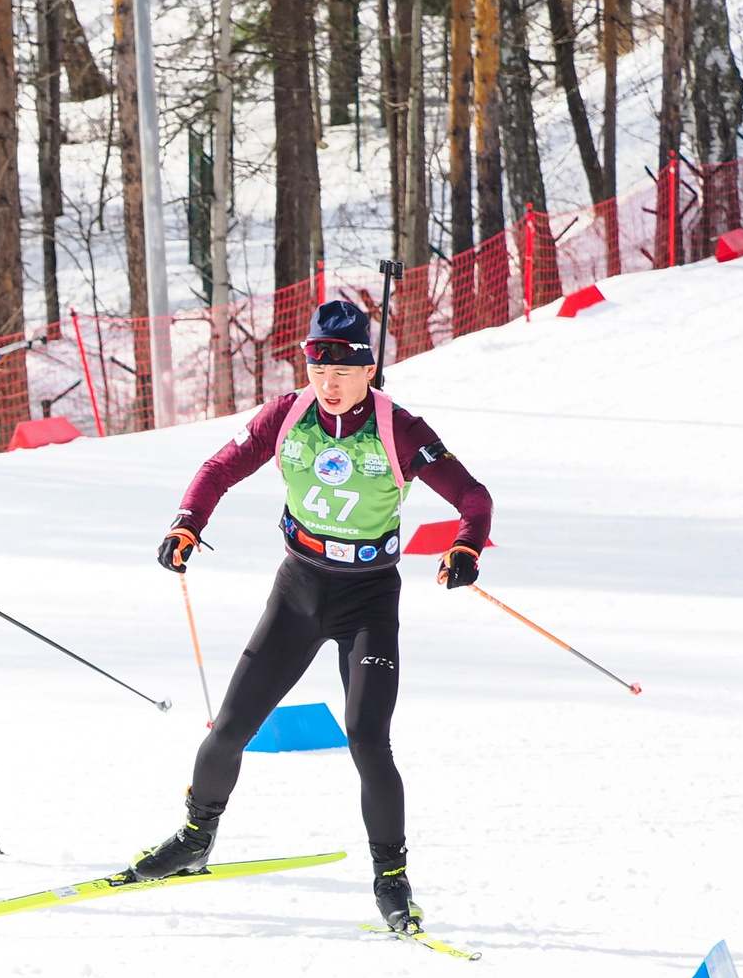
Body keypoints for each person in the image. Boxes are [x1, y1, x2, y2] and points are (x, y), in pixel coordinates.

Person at [134, 298, 493, 934]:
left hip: (369, 599)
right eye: (316, 368)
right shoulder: (287, 415)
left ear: (368, 368)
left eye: (342, 370)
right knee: (229, 727)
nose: (327, 383)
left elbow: (471, 495)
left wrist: (465, 543)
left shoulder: (399, 429)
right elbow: (219, 468)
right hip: (299, 589)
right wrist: (187, 521)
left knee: (365, 736)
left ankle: (391, 880)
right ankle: (195, 838)